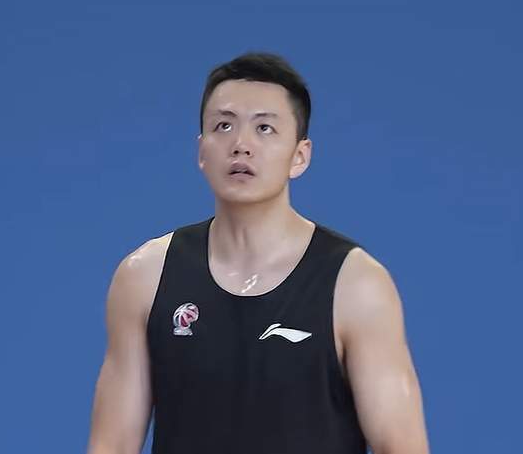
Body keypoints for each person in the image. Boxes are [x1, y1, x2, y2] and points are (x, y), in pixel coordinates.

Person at [86, 52, 430, 454]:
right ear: (201, 152)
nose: (241, 145)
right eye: (223, 126)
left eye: (264, 128)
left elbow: (400, 445)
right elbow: (112, 444)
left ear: (299, 156)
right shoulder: (146, 276)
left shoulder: (356, 285)